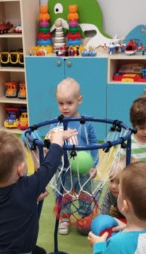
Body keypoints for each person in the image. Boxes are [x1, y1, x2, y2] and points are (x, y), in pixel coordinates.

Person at [52, 78, 98, 235]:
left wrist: (94, 165)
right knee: (64, 194)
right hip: (64, 168)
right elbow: (52, 143)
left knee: (85, 194)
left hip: (83, 169)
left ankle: (85, 217)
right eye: (61, 103)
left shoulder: (87, 123)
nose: (65, 107)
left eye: (69, 103)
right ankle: (64, 218)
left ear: (79, 100)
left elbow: (94, 144)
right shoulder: (56, 123)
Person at [99, 158, 127, 222]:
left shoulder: (134, 194)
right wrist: (100, 222)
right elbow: (103, 210)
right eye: (111, 180)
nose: (113, 186)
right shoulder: (110, 192)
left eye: (119, 182)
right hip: (118, 211)